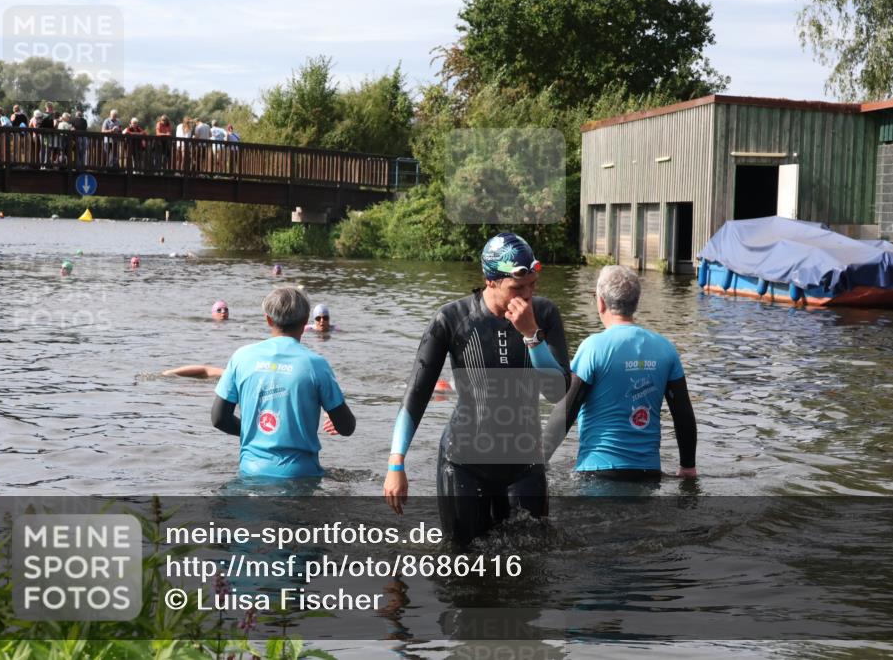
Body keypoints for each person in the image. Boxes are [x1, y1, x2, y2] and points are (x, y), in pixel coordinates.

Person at [382, 233, 570, 547]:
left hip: (524, 463)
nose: (526, 295)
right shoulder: (452, 319)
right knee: (463, 567)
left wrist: (531, 336)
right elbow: (417, 392)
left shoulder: (545, 315)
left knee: (533, 568)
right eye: (517, 288)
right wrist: (396, 462)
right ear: (490, 281)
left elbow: (556, 391)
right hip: (464, 464)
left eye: (532, 285)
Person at [543, 265, 698, 481]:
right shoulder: (666, 348)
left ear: (600, 302)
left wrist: (538, 460)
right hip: (649, 474)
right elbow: (683, 414)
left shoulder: (593, 347)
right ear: (636, 302)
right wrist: (688, 467)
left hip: (597, 472)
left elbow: (567, 410)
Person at [212, 287, 356, 478]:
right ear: (306, 321)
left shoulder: (241, 357)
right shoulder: (316, 365)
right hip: (301, 475)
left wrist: (258, 433)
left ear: (268, 319)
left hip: (251, 472)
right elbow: (347, 427)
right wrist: (337, 420)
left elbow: (219, 418)